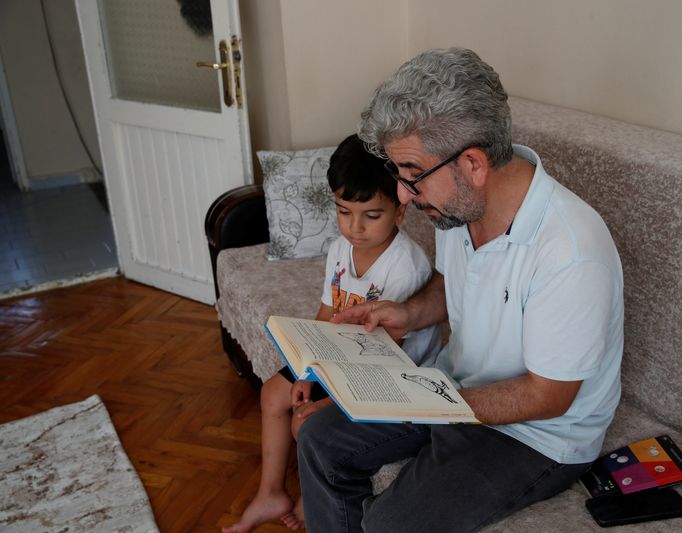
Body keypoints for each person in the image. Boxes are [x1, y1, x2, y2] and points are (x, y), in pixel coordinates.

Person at [295, 48, 625, 532]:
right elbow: (454, 282)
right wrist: (408, 315)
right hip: (453, 386)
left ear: (472, 163)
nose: (404, 195)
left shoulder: (570, 250)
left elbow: (548, 397)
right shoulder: (455, 208)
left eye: (411, 176)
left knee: (390, 526)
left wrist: (426, 402)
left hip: (537, 435)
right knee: (320, 438)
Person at [223, 134, 441, 533]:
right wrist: (306, 364)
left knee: (305, 421)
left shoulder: (405, 267)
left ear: (400, 211)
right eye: (344, 212)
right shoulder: (340, 249)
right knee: (275, 392)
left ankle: (312, 499)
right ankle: (269, 493)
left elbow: (384, 358)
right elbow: (326, 312)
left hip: (388, 376)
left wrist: (324, 402)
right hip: (342, 359)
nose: (355, 228)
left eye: (371, 216)